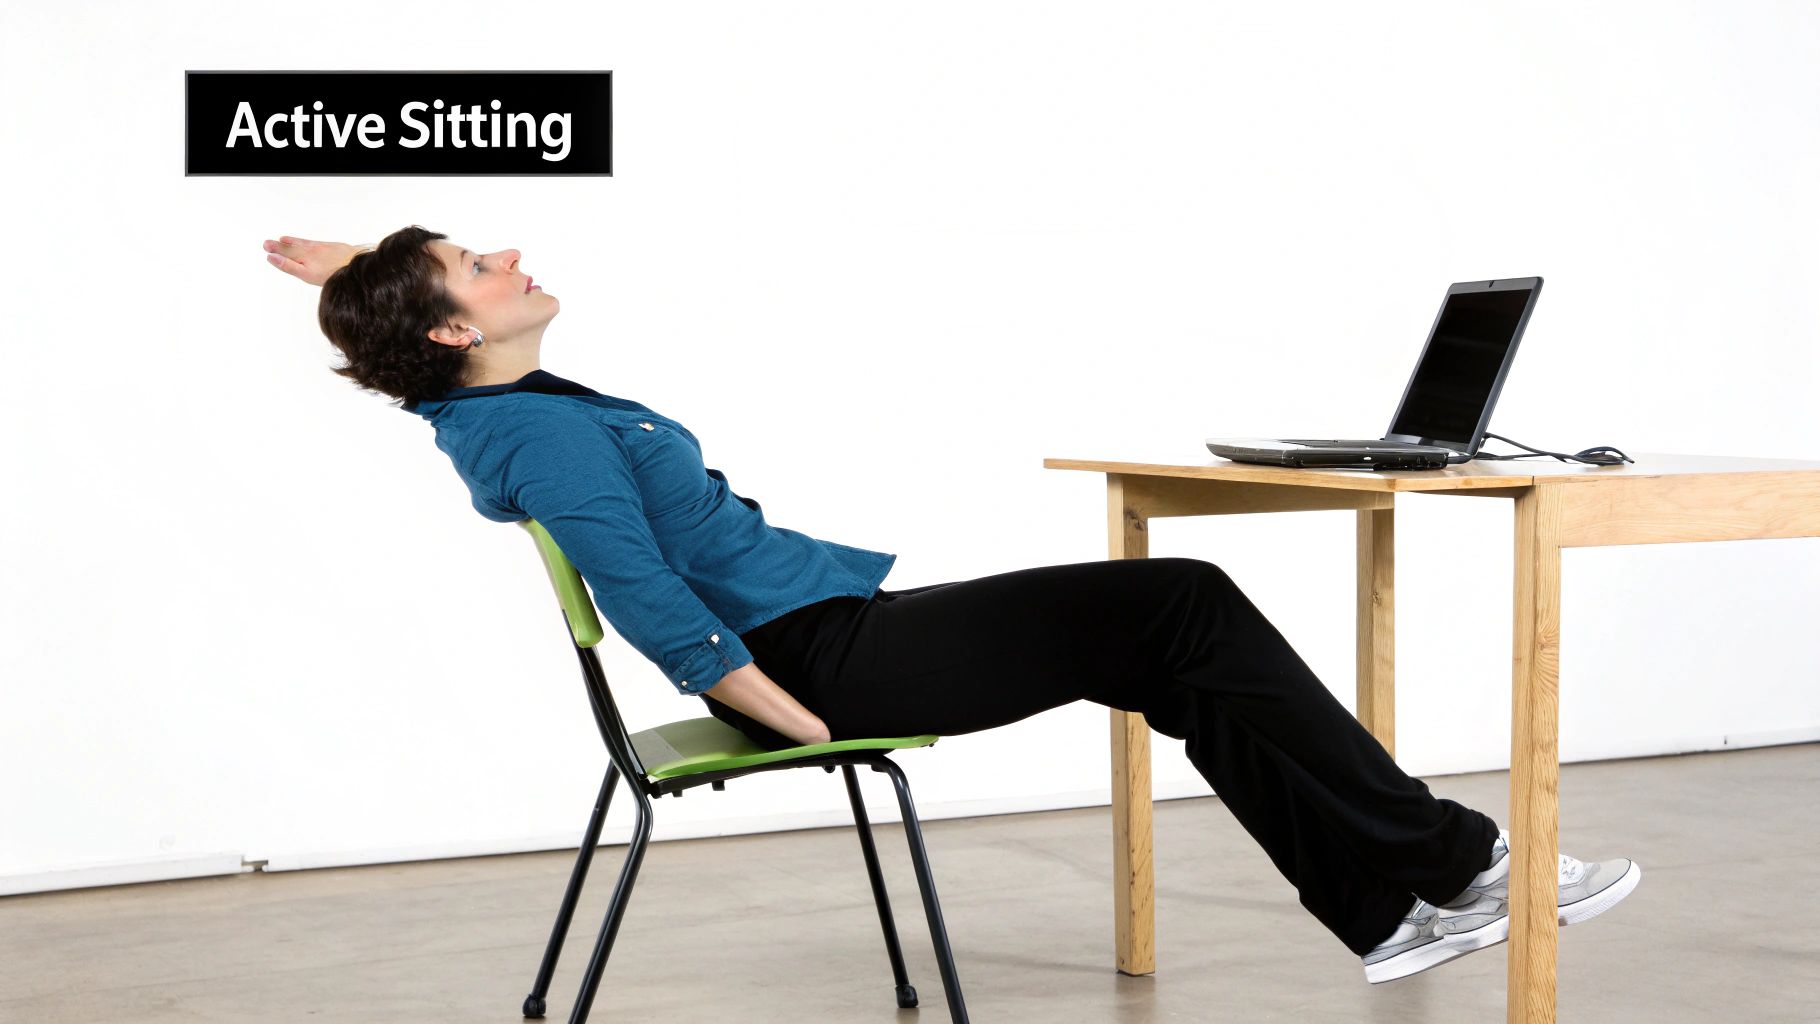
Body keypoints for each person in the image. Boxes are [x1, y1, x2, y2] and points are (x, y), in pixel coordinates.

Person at [264, 227, 1641, 983]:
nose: (509, 253)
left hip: (825, 635)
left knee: (1176, 650)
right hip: (820, 662)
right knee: (1185, 601)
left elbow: (438, 360)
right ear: (455, 330)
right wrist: (781, 715)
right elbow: (644, 597)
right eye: (477, 266)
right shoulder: (533, 433)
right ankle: (1459, 863)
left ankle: (1386, 910)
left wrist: (362, 272)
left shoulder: (489, 403)